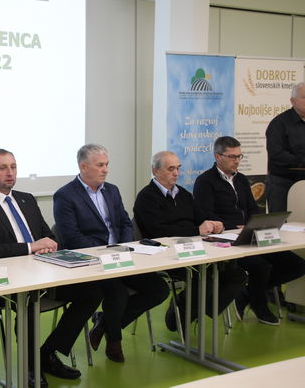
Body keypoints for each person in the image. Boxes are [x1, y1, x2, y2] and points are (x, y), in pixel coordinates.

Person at [0, 149, 103, 386]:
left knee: (92, 292)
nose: (10, 172)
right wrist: (30, 247)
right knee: (28, 302)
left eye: (13, 167)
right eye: (3, 168)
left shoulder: (27, 199)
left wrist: (48, 245)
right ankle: (29, 367)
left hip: (41, 273)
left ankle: (47, 353)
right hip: (5, 281)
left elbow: (47, 235)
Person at [53, 144, 168, 363]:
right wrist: (105, 252)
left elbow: (125, 222)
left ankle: (104, 323)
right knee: (117, 294)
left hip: (120, 257)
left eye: (107, 164)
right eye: (100, 165)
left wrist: (122, 247)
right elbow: (71, 238)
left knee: (159, 289)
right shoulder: (65, 195)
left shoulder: (112, 190)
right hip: (94, 264)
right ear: (83, 166)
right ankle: (114, 341)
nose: (105, 170)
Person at [194, 136, 305, 325]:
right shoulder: (205, 181)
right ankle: (259, 304)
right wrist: (232, 226)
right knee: (261, 266)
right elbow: (205, 214)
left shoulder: (242, 179)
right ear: (218, 156)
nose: (237, 161)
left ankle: (248, 293)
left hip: (250, 235)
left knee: (297, 265)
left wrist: (255, 223)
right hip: (226, 241)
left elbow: (253, 208)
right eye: (232, 157)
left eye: (239, 156)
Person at [133, 150, 246, 332]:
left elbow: (200, 218)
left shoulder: (184, 194)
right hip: (166, 254)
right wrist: (196, 230)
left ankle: (190, 310)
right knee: (205, 278)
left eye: (178, 168)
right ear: (155, 171)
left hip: (195, 250)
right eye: (171, 169)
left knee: (237, 275)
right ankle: (182, 313)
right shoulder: (146, 197)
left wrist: (214, 224)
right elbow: (157, 232)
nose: (176, 173)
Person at [265, 81, 305, 212]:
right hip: (282, 183)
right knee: (280, 221)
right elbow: (276, 154)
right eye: (304, 97)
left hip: (303, 183)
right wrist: (301, 161)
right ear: (292, 101)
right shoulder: (279, 123)